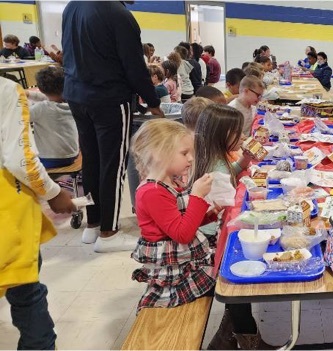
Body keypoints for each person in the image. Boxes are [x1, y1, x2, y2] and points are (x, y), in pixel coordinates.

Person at [62, 1, 164, 252]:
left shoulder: (74, 6)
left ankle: (93, 224)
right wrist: (152, 102)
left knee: (92, 162)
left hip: (77, 95)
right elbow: (134, 66)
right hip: (108, 98)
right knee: (113, 164)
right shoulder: (118, 14)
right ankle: (109, 233)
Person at [1, 76, 77, 351]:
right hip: (8, 217)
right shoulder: (6, 90)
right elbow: (20, 158)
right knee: (27, 293)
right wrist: (54, 192)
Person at [190, 105, 269, 350]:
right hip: (212, 240)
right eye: (238, 133)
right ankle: (248, 338)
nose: (242, 137)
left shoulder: (217, 158)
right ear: (222, 135)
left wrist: (244, 161)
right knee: (237, 280)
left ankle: (231, 333)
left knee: (238, 281)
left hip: (217, 231)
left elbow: (230, 176)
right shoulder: (214, 168)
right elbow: (223, 201)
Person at [129, 118, 218, 312]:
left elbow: (180, 219)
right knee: (224, 283)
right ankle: (234, 333)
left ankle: (235, 330)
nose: (191, 159)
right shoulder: (152, 192)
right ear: (158, 154)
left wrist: (209, 214)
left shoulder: (170, 181)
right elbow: (182, 234)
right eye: (184, 153)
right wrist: (197, 196)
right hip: (175, 271)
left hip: (185, 257)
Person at [27, 66, 79, 169]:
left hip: (49, 159)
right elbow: (51, 97)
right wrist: (29, 94)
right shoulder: (73, 101)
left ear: (40, 89)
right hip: (73, 154)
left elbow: (19, 117)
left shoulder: (41, 108)